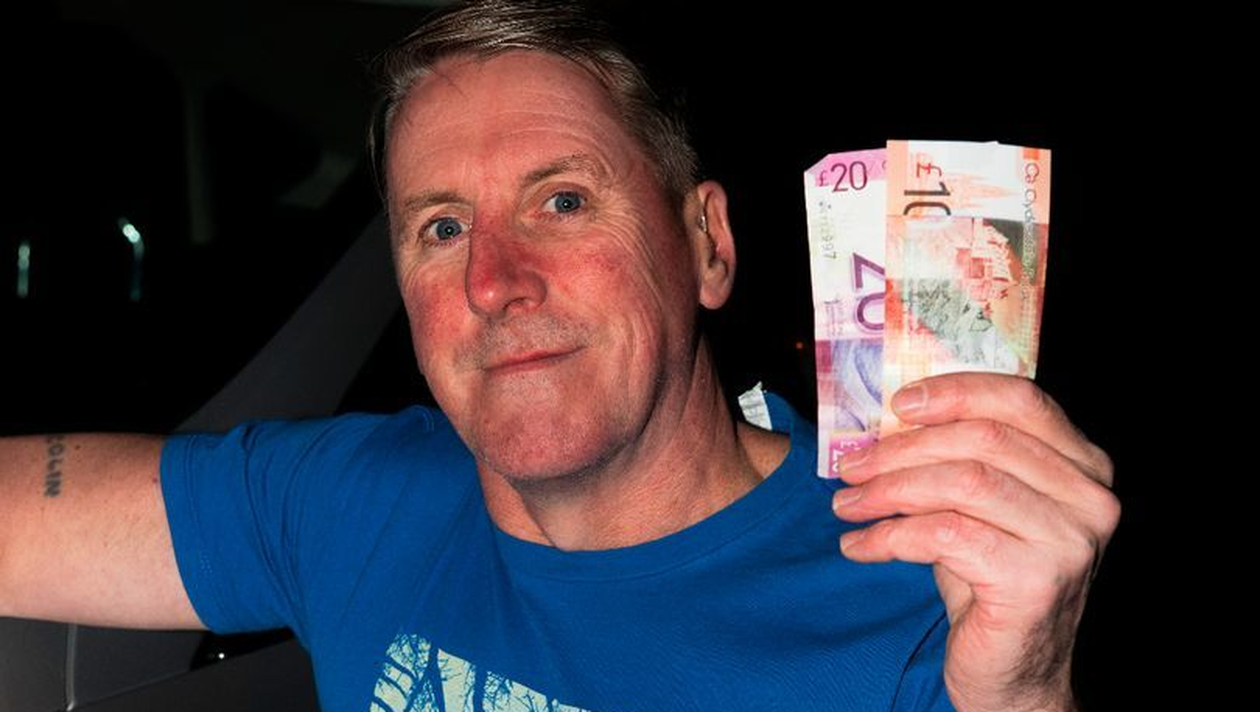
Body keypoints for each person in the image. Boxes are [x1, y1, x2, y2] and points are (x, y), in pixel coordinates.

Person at [0, 1, 1119, 711]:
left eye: (564, 200)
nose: (494, 281)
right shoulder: (351, 501)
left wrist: (1025, 693)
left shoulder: (929, 594)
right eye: (443, 226)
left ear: (707, 245)